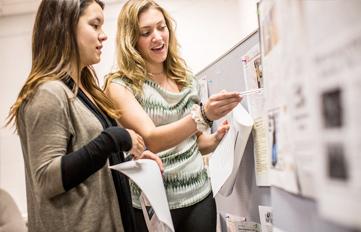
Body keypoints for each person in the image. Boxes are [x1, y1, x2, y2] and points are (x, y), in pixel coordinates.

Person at [6, 0, 163, 231]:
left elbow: (89, 162)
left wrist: (129, 161)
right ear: (65, 27)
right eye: (95, 25)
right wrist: (115, 138)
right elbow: (47, 179)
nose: (103, 35)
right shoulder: (48, 93)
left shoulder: (83, 90)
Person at [104, 0, 242, 231]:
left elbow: (196, 143)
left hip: (199, 198)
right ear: (131, 40)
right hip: (153, 207)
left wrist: (215, 140)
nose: (157, 37)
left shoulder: (185, 78)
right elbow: (151, 139)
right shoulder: (120, 85)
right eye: (146, 32)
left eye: (162, 27)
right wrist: (202, 116)